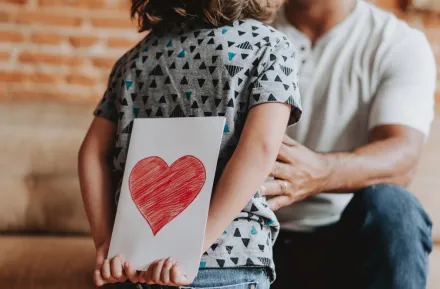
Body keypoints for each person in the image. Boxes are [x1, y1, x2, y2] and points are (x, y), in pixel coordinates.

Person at [78, 0, 303, 288]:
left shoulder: (134, 59)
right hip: (227, 260)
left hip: (131, 261)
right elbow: (260, 148)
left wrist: (105, 241)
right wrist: (189, 248)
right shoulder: (270, 46)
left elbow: (92, 152)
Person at [259, 1, 436, 289]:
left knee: (395, 207)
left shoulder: (397, 43)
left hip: (346, 240)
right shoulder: (245, 33)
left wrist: (320, 173)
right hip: (254, 236)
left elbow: (403, 156)